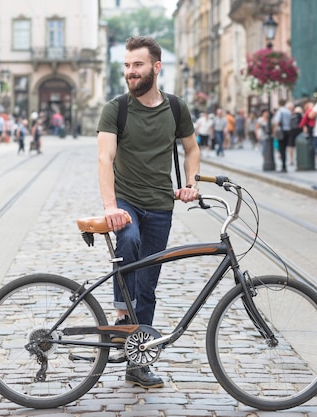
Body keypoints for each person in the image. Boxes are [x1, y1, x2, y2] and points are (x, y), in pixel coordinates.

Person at [96, 36, 200, 389]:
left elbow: (191, 149)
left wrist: (191, 183)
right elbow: (104, 158)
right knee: (128, 236)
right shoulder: (116, 108)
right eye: (126, 66)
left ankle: (137, 363)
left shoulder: (175, 108)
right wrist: (110, 206)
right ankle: (120, 311)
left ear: (157, 67)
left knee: (149, 287)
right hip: (125, 199)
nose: (130, 72)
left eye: (137, 65)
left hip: (160, 205)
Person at [272, 99, 292, 172]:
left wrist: (274, 132)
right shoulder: (288, 111)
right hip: (288, 131)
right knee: (285, 148)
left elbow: (277, 122)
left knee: (282, 149)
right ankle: (284, 165)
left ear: (279, 104)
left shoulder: (280, 111)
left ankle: (284, 166)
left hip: (281, 131)